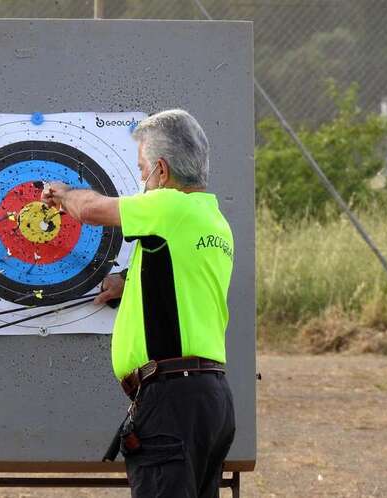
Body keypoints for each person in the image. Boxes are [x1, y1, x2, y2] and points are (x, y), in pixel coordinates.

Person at [41, 109, 235, 498]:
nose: (142, 180)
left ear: (161, 171)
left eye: (142, 169)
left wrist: (60, 193)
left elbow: (92, 209)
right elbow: (179, 279)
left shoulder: (168, 206)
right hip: (208, 398)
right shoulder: (212, 219)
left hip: (172, 400)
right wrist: (127, 283)